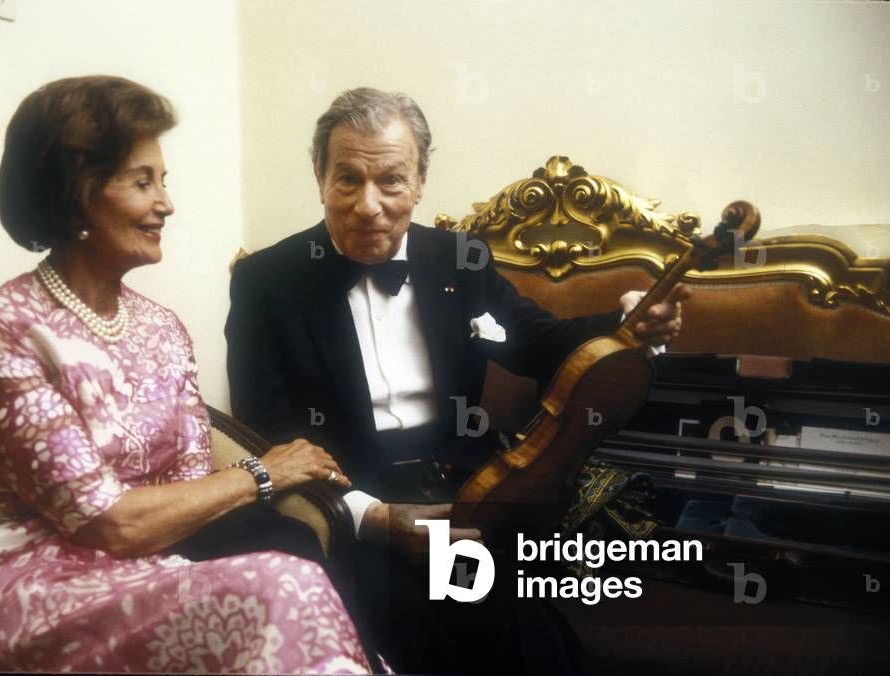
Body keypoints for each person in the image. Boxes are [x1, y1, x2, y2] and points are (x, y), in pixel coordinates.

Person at [225, 87, 689, 673]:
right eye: (348, 179)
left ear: (420, 182)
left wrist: (628, 320)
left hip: (471, 501)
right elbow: (266, 433)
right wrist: (374, 518)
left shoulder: (460, 257)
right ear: (319, 178)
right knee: (401, 633)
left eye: (390, 181)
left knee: (516, 637)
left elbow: (536, 341)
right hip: (350, 507)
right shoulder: (267, 280)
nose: (368, 205)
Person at [0, 75, 371, 674]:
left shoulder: (163, 327)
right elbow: (106, 522)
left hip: (150, 562)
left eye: (164, 181)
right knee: (280, 586)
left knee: (284, 568)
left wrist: (244, 502)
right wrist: (265, 470)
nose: (167, 202)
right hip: (26, 588)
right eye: (142, 182)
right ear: (76, 193)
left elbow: (190, 485)